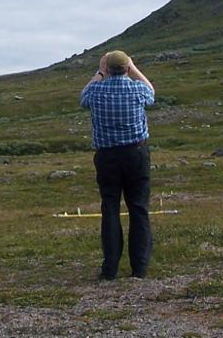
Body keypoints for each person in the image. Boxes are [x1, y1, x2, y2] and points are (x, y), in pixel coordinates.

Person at [80, 50, 156, 280]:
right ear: (126, 68)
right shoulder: (137, 89)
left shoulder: (95, 90)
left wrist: (100, 72)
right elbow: (151, 91)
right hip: (136, 154)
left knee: (110, 208)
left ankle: (110, 268)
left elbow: (83, 97)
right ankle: (139, 268)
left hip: (107, 157)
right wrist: (133, 69)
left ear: (107, 68)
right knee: (139, 208)